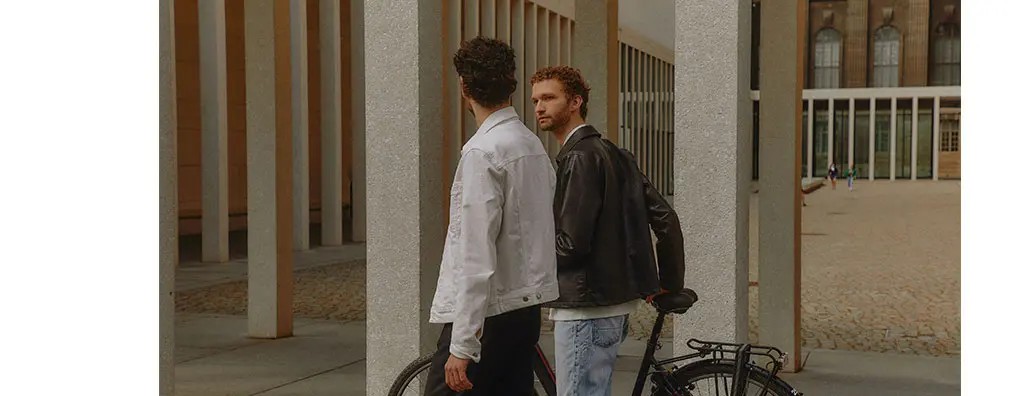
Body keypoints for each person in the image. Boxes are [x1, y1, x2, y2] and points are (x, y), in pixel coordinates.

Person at [530, 66, 686, 396]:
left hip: (584, 309)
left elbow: (570, 244)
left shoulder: (580, 158)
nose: (539, 107)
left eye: (548, 98)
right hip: (611, 308)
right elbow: (666, 219)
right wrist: (668, 284)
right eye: (535, 100)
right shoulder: (616, 154)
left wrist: (524, 261)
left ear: (575, 102)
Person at [424, 37, 559, 396]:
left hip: (490, 316)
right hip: (524, 312)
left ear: (464, 88)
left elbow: (475, 255)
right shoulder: (532, 147)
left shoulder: (482, 153)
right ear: (511, 84)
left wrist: (463, 344)